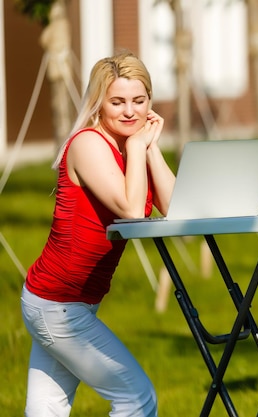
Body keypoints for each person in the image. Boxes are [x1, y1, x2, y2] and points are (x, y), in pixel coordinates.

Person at [20, 51, 175, 417]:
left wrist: (149, 148)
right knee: (136, 398)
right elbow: (133, 211)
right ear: (98, 104)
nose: (129, 112)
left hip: (67, 301)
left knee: (46, 410)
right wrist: (137, 146)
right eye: (117, 102)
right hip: (58, 303)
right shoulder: (89, 144)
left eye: (139, 101)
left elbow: (174, 207)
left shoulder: (132, 147)